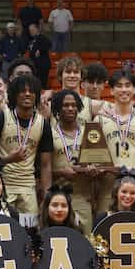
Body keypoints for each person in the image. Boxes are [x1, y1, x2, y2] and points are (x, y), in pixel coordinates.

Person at [0, 74, 53, 224]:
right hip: (3, 184)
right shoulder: (0, 118)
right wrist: (8, 159)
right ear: (14, 94)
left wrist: (47, 195)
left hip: (28, 187)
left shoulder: (43, 124)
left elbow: (46, 164)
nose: (27, 94)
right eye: (22, 91)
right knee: (5, 230)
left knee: (30, 232)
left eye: (31, 91)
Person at [96, 70, 135, 214]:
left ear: (134, 89)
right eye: (119, 86)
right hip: (109, 188)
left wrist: (130, 171)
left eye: (128, 85)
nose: (124, 89)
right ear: (111, 90)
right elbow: (95, 157)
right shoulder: (99, 119)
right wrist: (101, 168)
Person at [32, 186, 86, 269]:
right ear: (47, 208)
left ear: (69, 209)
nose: (59, 209)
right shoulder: (36, 232)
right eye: (54, 205)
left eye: (64, 206)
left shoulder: (77, 233)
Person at [50, 90, 97, 235]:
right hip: (58, 198)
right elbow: (41, 169)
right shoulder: (50, 133)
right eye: (65, 105)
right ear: (57, 108)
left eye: (74, 105)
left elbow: (97, 166)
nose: (70, 108)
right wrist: (60, 172)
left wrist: (93, 170)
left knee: (86, 243)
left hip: (82, 198)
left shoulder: (89, 133)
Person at [27, 23, 52, 89]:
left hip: (42, 65)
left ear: (37, 29)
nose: (31, 31)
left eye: (33, 30)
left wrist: (40, 50)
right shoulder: (31, 40)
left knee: (42, 83)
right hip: (35, 65)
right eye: (30, 30)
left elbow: (49, 44)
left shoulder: (42, 37)